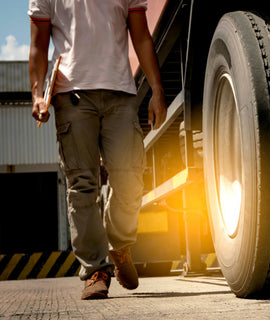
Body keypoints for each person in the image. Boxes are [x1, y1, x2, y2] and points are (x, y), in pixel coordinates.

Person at [28, 0, 167, 300]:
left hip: (121, 93)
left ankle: (119, 244)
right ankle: (95, 270)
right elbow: (38, 44)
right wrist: (37, 94)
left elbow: (141, 35)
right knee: (82, 185)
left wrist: (156, 90)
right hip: (71, 96)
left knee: (130, 179)